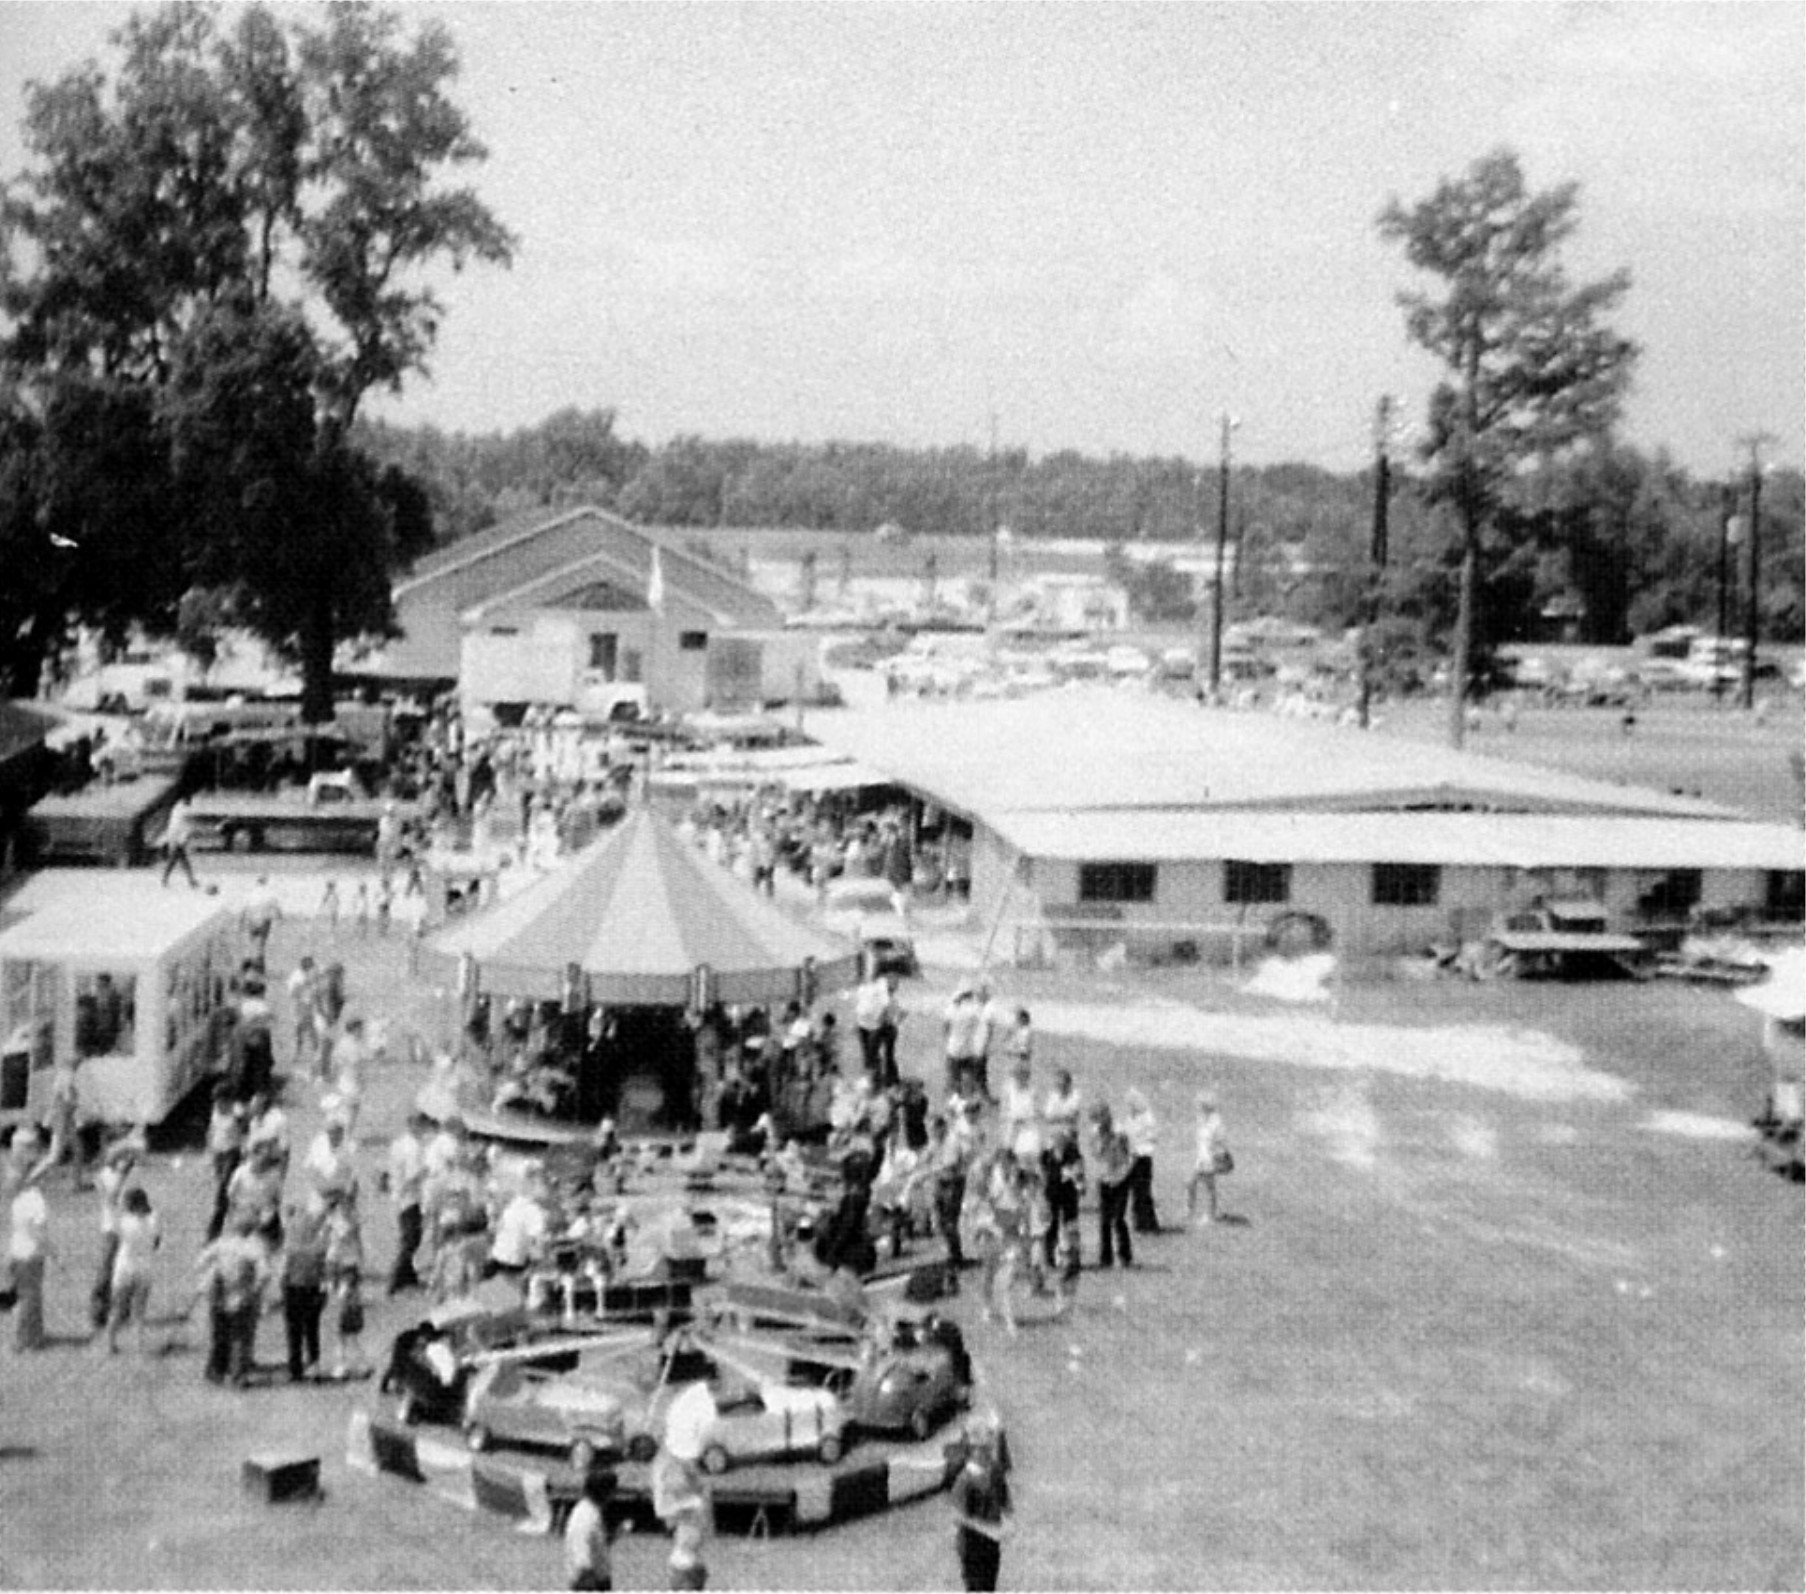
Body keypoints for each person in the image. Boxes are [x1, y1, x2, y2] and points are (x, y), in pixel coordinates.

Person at [951, 1415, 1013, 1592]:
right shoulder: (964, 1482)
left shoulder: (994, 1471)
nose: (989, 1453)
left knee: (990, 1586)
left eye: (990, 1448)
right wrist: (988, 1530)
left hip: (991, 1546)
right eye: (985, 1449)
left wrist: (1008, 1517)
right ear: (974, 1450)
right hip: (972, 1548)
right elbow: (959, 1517)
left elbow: (1003, 1492)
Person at [6, 1128, 53, 1352]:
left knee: (26, 1299)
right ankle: (25, 1341)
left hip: (17, 1252)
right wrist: (54, 1253)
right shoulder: (36, 1200)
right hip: (31, 1255)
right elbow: (38, 1232)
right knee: (30, 1300)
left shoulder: (18, 1196)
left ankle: (33, 1336)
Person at [106, 1186, 161, 1355]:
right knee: (139, 1310)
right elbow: (157, 1242)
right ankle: (139, 1345)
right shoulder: (154, 1219)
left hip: (124, 1267)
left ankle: (111, 1342)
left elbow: (112, 1237)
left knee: (118, 1308)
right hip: (144, 1267)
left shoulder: (123, 1221)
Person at [279, 1201, 329, 1382]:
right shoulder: (319, 1249)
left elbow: (283, 1273)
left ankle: (295, 1368)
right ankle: (314, 1365)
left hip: (293, 1289)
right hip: (312, 1289)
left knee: (294, 1331)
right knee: (312, 1330)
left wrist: (282, 1290)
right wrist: (324, 1293)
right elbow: (324, 1274)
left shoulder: (290, 1249)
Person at [385, 1112, 429, 1295]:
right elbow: (413, 1175)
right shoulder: (414, 1148)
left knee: (412, 1236)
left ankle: (409, 1276)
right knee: (411, 1239)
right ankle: (395, 1280)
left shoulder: (399, 1143)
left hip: (399, 1194)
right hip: (409, 1197)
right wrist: (426, 1172)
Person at [1091, 1106, 1134, 1269]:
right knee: (1104, 1221)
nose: (1099, 1124)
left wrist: (1121, 1176)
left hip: (1121, 1179)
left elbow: (1127, 1158)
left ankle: (1125, 1256)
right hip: (1104, 1180)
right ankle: (1105, 1258)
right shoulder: (1095, 1135)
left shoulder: (1119, 1133)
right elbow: (1096, 1155)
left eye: (1101, 1118)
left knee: (1118, 1219)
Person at [564, 1466, 617, 1591]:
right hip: (589, 1582)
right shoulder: (586, 1518)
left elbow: (594, 1544)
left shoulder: (590, 1511)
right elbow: (582, 1559)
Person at [1188, 1090, 1232, 1227]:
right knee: (1190, 1183)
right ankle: (1190, 1211)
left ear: (1205, 1106)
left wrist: (1214, 1156)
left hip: (1210, 1160)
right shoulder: (1202, 1119)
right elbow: (1200, 1140)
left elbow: (1220, 1141)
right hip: (1201, 1158)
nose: (1196, 1108)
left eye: (1199, 1105)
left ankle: (1210, 1216)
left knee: (1208, 1187)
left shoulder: (1215, 1121)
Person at [1123, 1088, 1161, 1234]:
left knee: (1143, 1192)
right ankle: (1140, 1222)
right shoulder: (1129, 1119)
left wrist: (1140, 1146)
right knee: (1135, 1192)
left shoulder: (1147, 1118)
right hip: (1132, 1158)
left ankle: (1148, 1223)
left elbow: (1152, 1137)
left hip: (1143, 1158)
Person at [160, 795, 199, 888]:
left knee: (180, 859)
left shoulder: (177, 808)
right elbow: (185, 824)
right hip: (176, 836)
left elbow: (183, 824)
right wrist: (184, 837)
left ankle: (190, 880)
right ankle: (190, 880)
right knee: (176, 858)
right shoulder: (183, 810)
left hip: (175, 835)